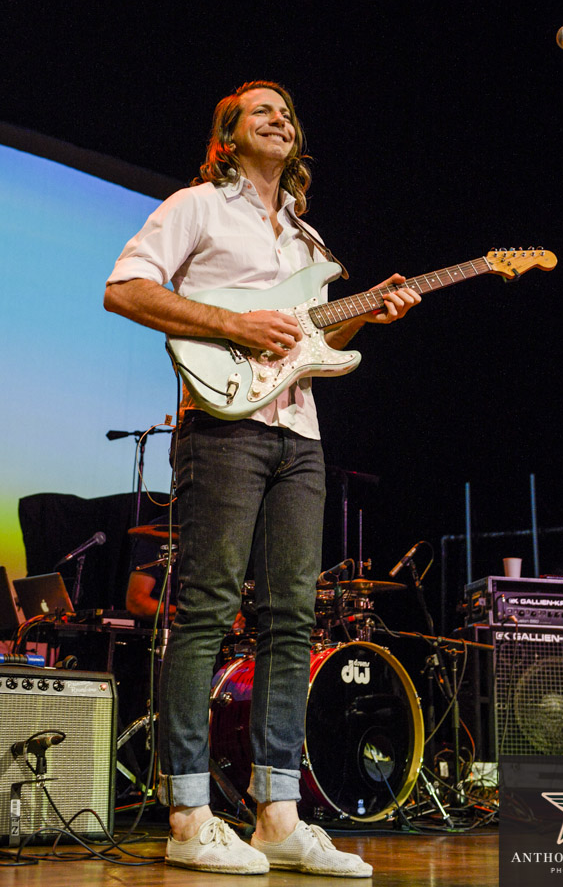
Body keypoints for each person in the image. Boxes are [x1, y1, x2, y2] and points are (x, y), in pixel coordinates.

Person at [104, 80, 420, 876]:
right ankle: (187, 813)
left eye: (285, 111)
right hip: (222, 430)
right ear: (227, 136)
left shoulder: (309, 243)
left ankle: (278, 814)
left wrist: (370, 312)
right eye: (259, 111)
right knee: (206, 607)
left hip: (300, 435)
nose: (278, 117)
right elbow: (125, 289)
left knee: (292, 620)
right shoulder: (196, 206)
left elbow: (313, 334)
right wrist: (234, 322)